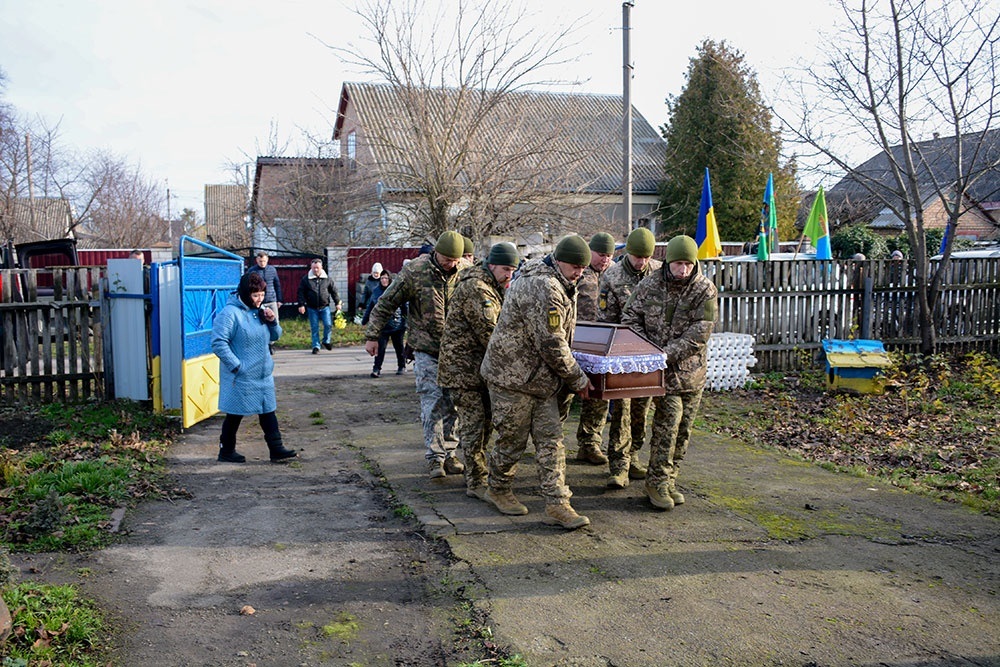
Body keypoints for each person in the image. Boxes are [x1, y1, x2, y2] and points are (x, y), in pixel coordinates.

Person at [480, 235, 595, 530]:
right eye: (574, 266)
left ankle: (558, 503)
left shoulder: (561, 282)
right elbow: (552, 343)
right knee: (511, 441)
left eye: (583, 267)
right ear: (558, 260)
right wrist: (577, 378)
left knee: (551, 440)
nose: (579, 272)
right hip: (511, 378)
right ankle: (498, 488)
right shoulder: (544, 286)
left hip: (540, 379)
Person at [621, 235, 717, 510]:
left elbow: (701, 332)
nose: (683, 269)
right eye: (678, 263)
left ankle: (671, 478)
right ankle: (657, 482)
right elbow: (630, 318)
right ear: (668, 261)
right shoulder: (650, 284)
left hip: (691, 373)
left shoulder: (704, 290)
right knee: (668, 425)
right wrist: (648, 349)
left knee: (684, 430)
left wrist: (666, 353)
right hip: (661, 374)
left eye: (688, 263)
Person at [364, 231, 469, 478]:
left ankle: (451, 454)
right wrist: (372, 335)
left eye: (455, 260)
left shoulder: (465, 271)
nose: (451, 264)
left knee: (453, 403)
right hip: (425, 348)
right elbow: (386, 303)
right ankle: (435, 457)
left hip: (456, 351)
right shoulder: (415, 271)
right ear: (436, 252)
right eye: (447, 259)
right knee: (432, 401)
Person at [438, 242, 519, 500]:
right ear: (492, 264)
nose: (509, 275)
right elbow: (491, 334)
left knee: (484, 423)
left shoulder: (493, 286)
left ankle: (477, 473)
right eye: (506, 269)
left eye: (513, 270)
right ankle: (475, 481)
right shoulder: (478, 289)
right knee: (474, 426)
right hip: (463, 372)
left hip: (478, 371)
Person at [598, 227, 662, 488]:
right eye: (637, 257)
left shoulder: (659, 273)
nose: (642, 262)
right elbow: (606, 321)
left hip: (649, 354)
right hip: (622, 355)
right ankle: (619, 465)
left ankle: (634, 454)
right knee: (622, 409)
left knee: (641, 410)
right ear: (629, 253)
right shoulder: (612, 276)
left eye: (646, 257)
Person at [211, 272, 298, 463]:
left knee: (268, 411)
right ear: (244, 293)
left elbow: (276, 336)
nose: (259, 299)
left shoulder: (260, 311)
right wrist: (236, 366)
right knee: (235, 414)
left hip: (263, 374)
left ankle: (276, 449)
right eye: (255, 295)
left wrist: (272, 320)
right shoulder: (229, 314)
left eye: (261, 295)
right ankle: (226, 451)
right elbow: (218, 343)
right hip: (241, 375)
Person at [573, 232, 616, 465]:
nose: (605, 260)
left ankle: (590, 444)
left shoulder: (613, 275)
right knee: (563, 397)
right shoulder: (578, 271)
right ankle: (551, 445)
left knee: (599, 398)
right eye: (601, 254)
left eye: (609, 255)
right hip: (574, 342)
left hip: (600, 346)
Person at [361, 270, 407, 378]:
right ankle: (376, 369)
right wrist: (365, 319)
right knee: (380, 348)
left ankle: (401, 366)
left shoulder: (396, 290)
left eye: (386, 278)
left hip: (397, 324)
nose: (384, 280)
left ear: (390, 279)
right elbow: (371, 307)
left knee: (399, 347)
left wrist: (407, 320)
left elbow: (405, 306)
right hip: (382, 325)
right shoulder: (376, 291)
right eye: (382, 278)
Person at [297, 258, 342, 354]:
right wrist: (301, 305)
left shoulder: (327, 279)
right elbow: (301, 292)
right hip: (311, 307)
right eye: (313, 268)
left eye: (317, 268)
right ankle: (316, 346)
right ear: (311, 267)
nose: (315, 270)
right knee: (314, 327)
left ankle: (326, 341)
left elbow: (334, 291)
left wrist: (337, 303)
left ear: (321, 267)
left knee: (328, 325)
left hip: (325, 307)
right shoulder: (306, 279)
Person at [247, 251, 282, 354]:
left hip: (271, 299)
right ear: (257, 260)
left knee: (274, 321)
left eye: (264, 261)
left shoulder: (272, 270)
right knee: (260, 322)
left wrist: (279, 299)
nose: (262, 263)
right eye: (260, 261)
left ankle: (271, 344)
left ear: (268, 260)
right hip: (258, 302)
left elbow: (277, 284)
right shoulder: (252, 271)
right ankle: (262, 344)